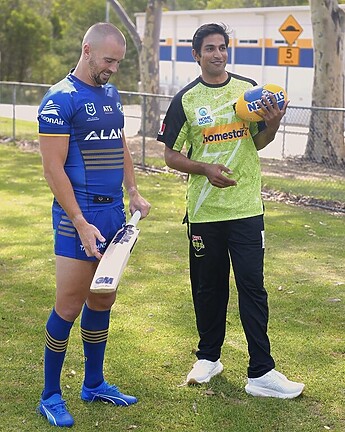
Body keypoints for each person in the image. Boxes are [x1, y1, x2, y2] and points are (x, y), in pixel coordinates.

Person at [157, 23, 304, 399]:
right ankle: (208, 358)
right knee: (209, 289)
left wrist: (273, 124)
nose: (218, 54)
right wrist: (204, 169)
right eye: (210, 49)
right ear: (196, 54)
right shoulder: (185, 101)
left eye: (222, 47)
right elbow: (170, 155)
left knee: (252, 287)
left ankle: (261, 372)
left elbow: (260, 142)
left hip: (245, 210)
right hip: (205, 213)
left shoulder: (249, 92)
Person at [37, 22, 151, 427]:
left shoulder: (111, 94)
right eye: (108, 60)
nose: (113, 68)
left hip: (114, 214)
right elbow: (53, 169)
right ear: (87, 50)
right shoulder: (59, 99)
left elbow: (119, 143)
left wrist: (133, 191)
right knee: (69, 305)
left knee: (102, 299)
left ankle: (94, 383)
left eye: (118, 62)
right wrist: (81, 222)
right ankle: (50, 395)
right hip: (77, 218)